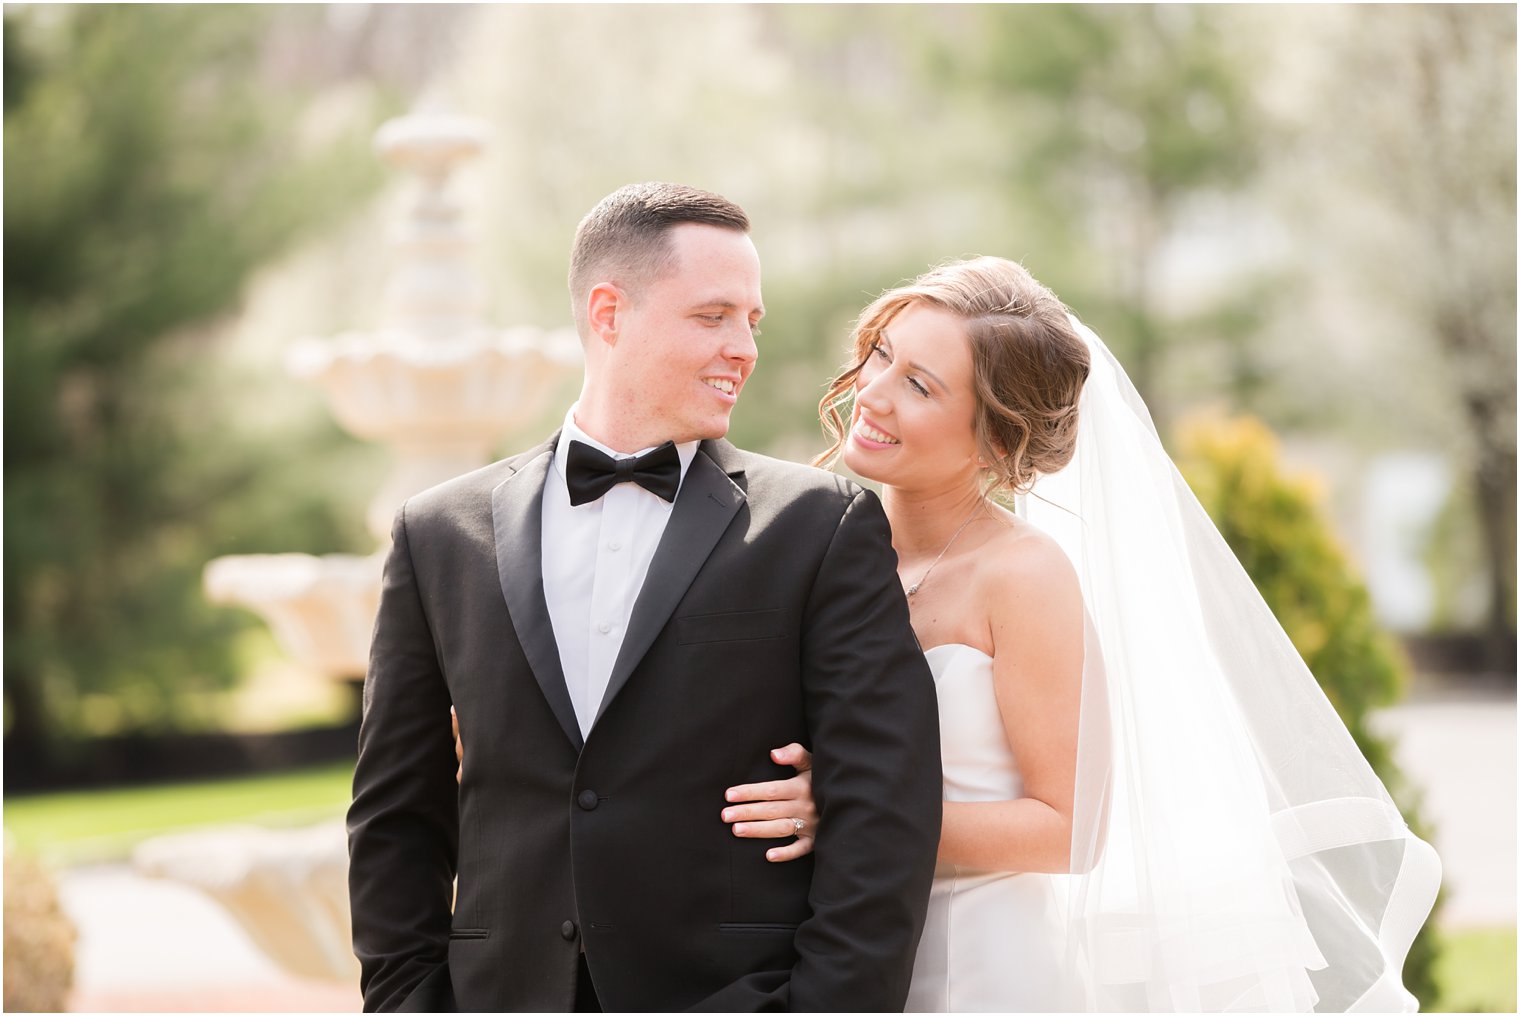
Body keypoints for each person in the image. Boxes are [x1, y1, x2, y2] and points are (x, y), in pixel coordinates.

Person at [478, 255, 1438, 1011]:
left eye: (922, 387)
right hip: (816, 962)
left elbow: (1070, 831)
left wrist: (850, 820)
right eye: (881, 356)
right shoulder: (810, 546)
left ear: (997, 440)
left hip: (977, 965)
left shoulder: (1024, 579)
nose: (875, 394)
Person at [348, 182, 943, 1013]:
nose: (745, 347)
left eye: (752, 321)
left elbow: (887, 811)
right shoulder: (438, 533)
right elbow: (396, 818)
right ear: (608, 313)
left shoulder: (820, 525)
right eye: (713, 316)